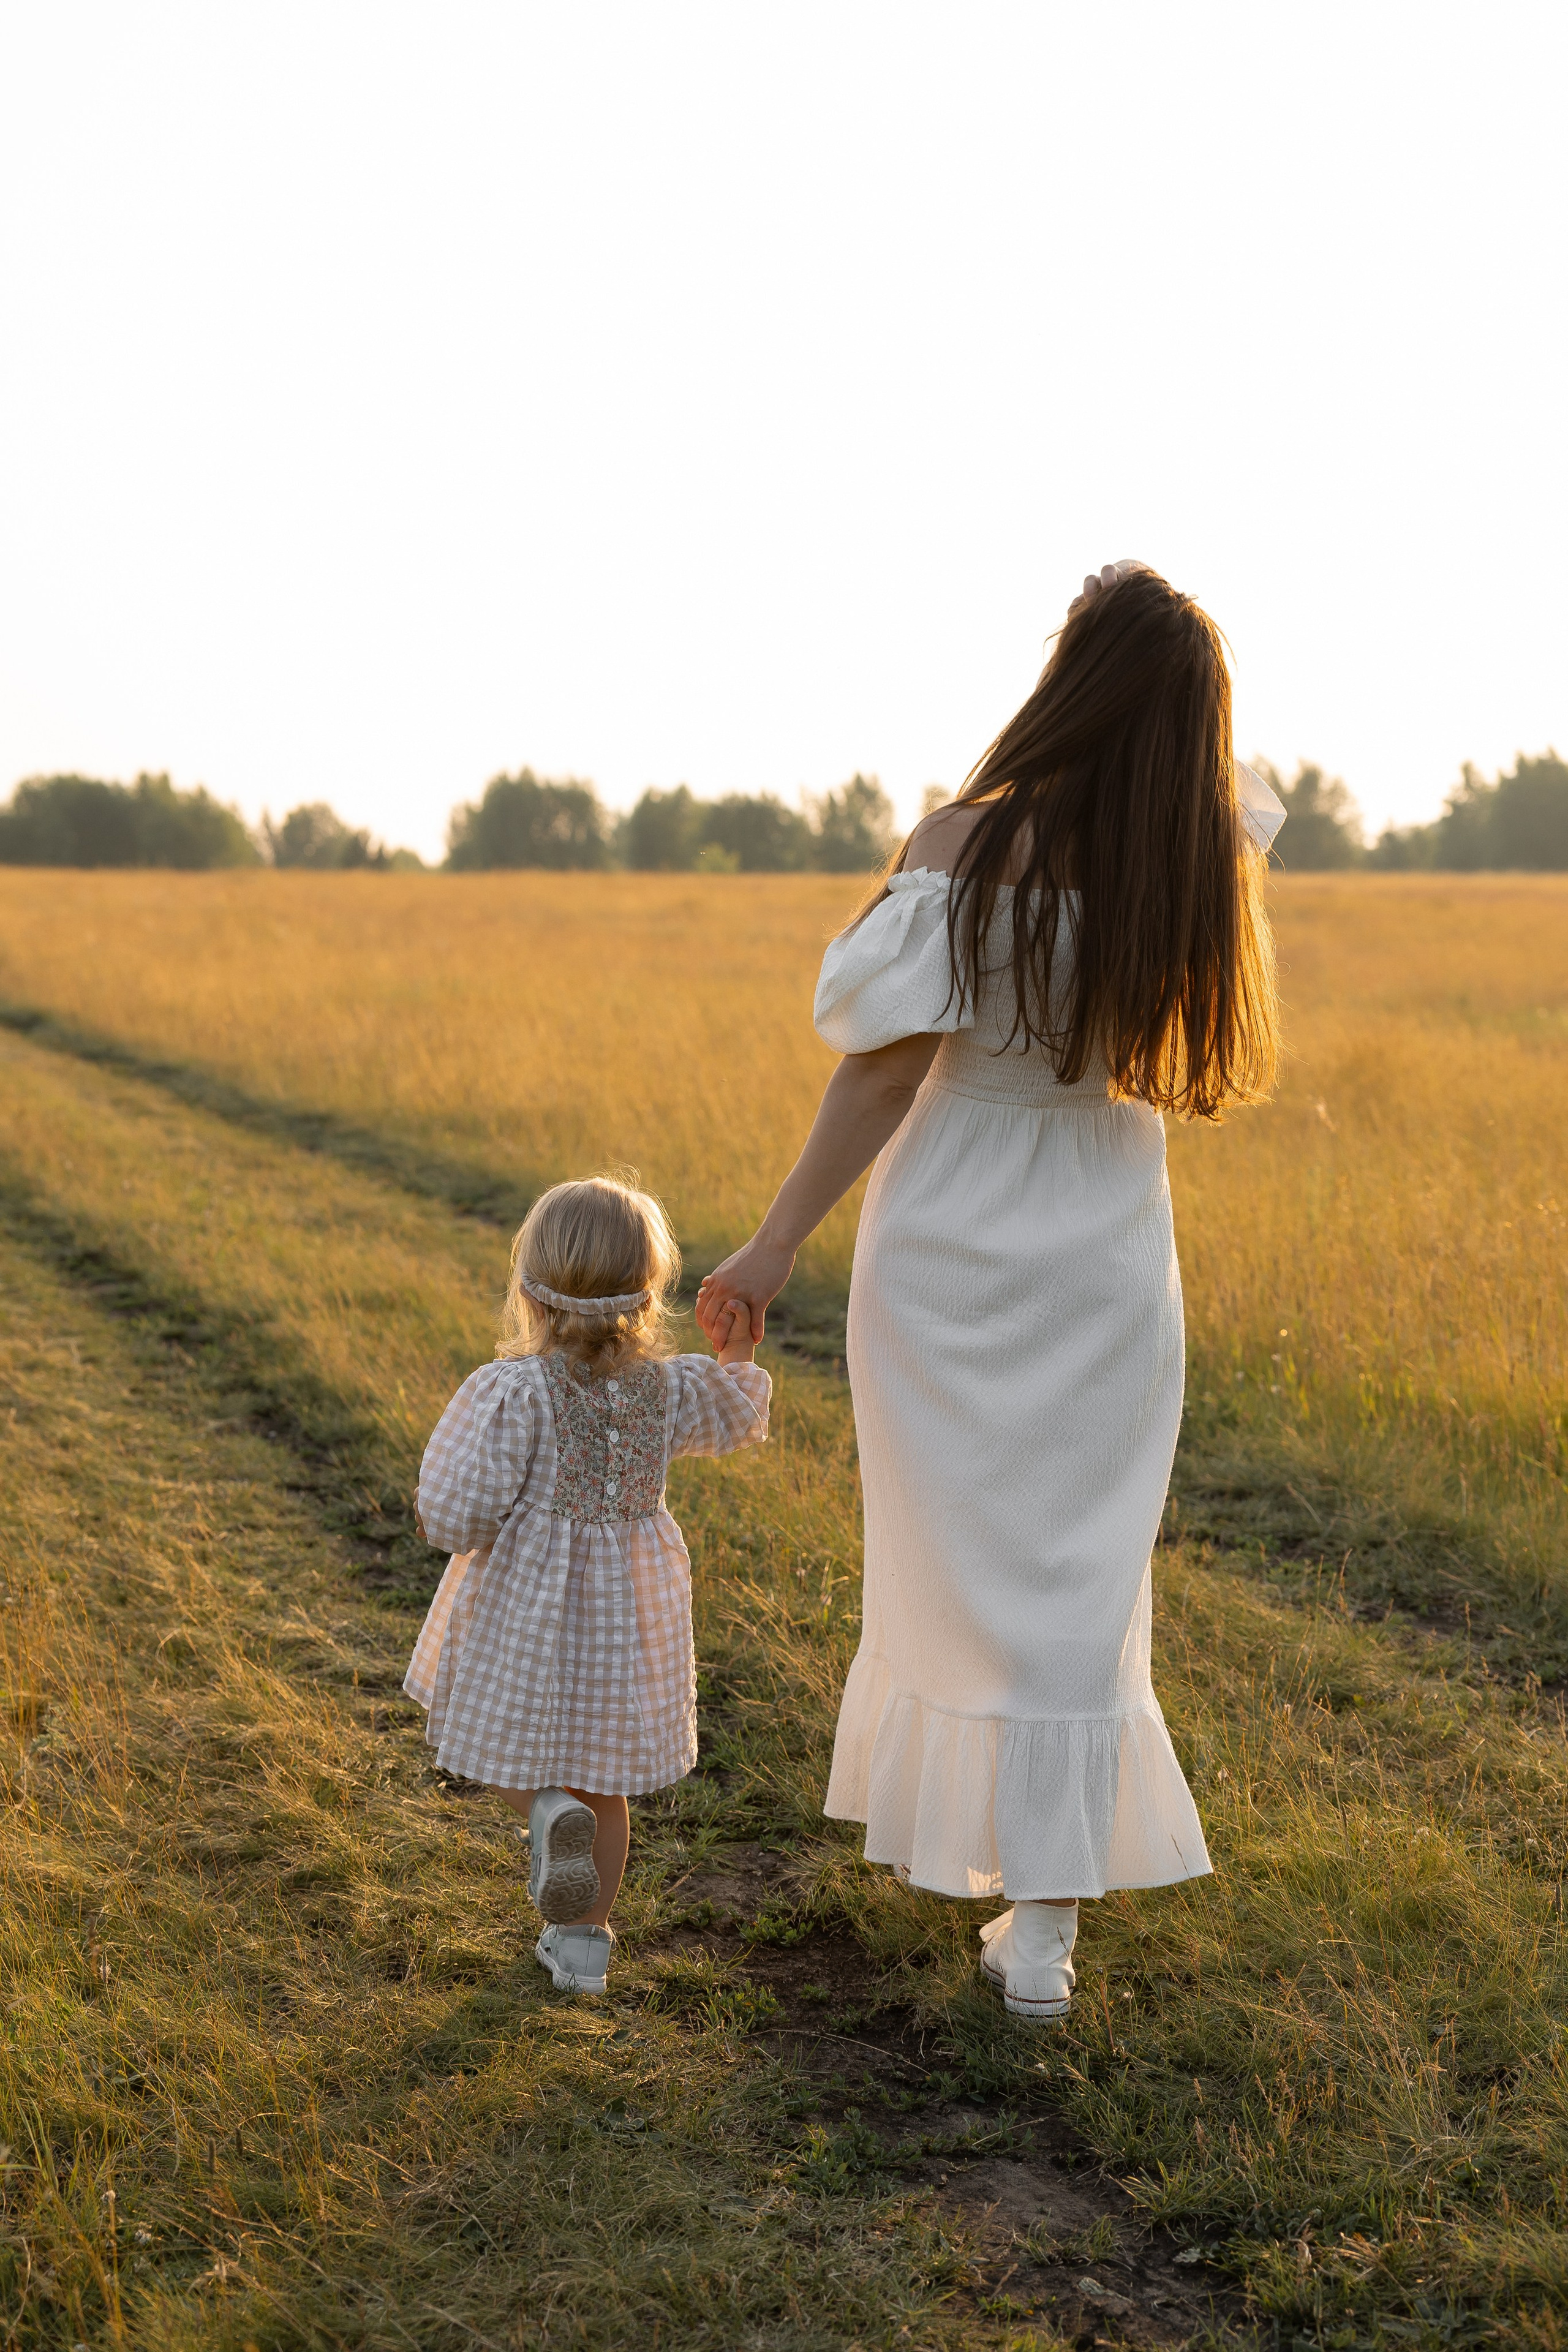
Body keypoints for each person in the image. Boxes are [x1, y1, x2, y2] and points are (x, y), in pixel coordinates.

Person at [697, 561, 1284, 2022]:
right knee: (1083, 1584)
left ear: (1066, 680)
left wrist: (772, 1245)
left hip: (952, 1226)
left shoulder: (967, 838)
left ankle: (992, 1864)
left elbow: (884, 1064)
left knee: (952, 1563)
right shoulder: (1203, 853)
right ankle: (1044, 1932)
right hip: (1102, 1241)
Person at [406, 1175, 770, 1996]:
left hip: (526, 1611)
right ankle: (582, 1951)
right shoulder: (668, 1387)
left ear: (531, 1289)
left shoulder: (513, 1390)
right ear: (648, 1290)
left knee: (507, 1747)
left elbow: (458, 1512)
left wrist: (450, 1523)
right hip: (628, 1613)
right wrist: (739, 1348)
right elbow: (735, 1414)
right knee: (604, 1785)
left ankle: (542, 1812)